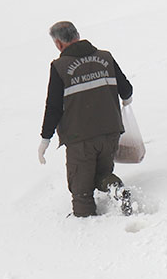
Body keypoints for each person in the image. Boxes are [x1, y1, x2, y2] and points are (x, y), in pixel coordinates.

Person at [37, 21, 134, 217]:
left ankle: (86, 226)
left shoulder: (60, 67)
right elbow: (127, 90)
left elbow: (53, 107)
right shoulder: (105, 57)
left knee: (80, 189)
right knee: (101, 174)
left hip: (80, 138)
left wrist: (45, 139)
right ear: (78, 35)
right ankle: (116, 188)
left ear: (58, 43)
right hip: (110, 132)